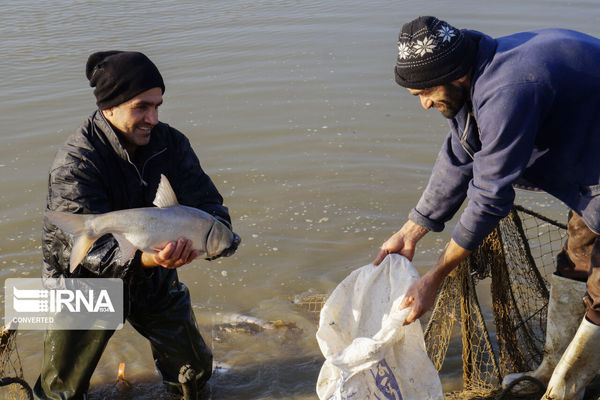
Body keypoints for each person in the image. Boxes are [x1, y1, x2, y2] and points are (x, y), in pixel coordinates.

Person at [374, 16, 600, 399]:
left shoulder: (510, 86)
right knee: (577, 257)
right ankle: (550, 368)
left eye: (424, 94)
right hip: (589, 164)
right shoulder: (474, 71)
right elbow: (462, 154)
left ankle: (565, 390)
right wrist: (412, 230)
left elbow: (491, 194)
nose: (425, 105)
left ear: (453, 75)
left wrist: (436, 275)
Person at [33, 51, 240, 399]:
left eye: (158, 106)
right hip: (83, 284)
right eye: (142, 107)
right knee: (60, 393)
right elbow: (88, 254)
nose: (153, 118)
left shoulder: (171, 144)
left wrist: (214, 239)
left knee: (196, 376)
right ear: (109, 107)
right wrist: (149, 259)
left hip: (152, 278)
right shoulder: (75, 162)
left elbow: (211, 208)